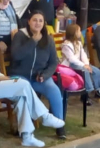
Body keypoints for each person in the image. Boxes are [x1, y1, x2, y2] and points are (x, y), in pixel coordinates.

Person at [0, 20, 64, 148]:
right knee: (23, 84)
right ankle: (44, 116)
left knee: (22, 96)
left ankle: (27, 136)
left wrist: (4, 78)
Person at [9, 11, 66, 139]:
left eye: (40, 21)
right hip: (20, 75)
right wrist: (32, 41)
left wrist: (44, 75)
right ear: (29, 22)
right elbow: (16, 55)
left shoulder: (48, 39)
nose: (37, 23)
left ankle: (60, 125)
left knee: (54, 90)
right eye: (35, 20)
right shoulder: (20, 35)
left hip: (39, 77)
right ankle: (25, 129)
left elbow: (53, 63)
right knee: (25, 91)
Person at [60, 24, 100, 100]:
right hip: (70, 65)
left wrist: (87, 64)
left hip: (80, 64)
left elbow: (83, 55)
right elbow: (72, 59)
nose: (80, 33)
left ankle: (99, 90)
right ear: (74, 33)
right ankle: (86, 93)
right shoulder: (66, 45)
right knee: (85, 71)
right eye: (79, 31)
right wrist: (83, 65)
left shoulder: (78, 43)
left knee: (96, 70)